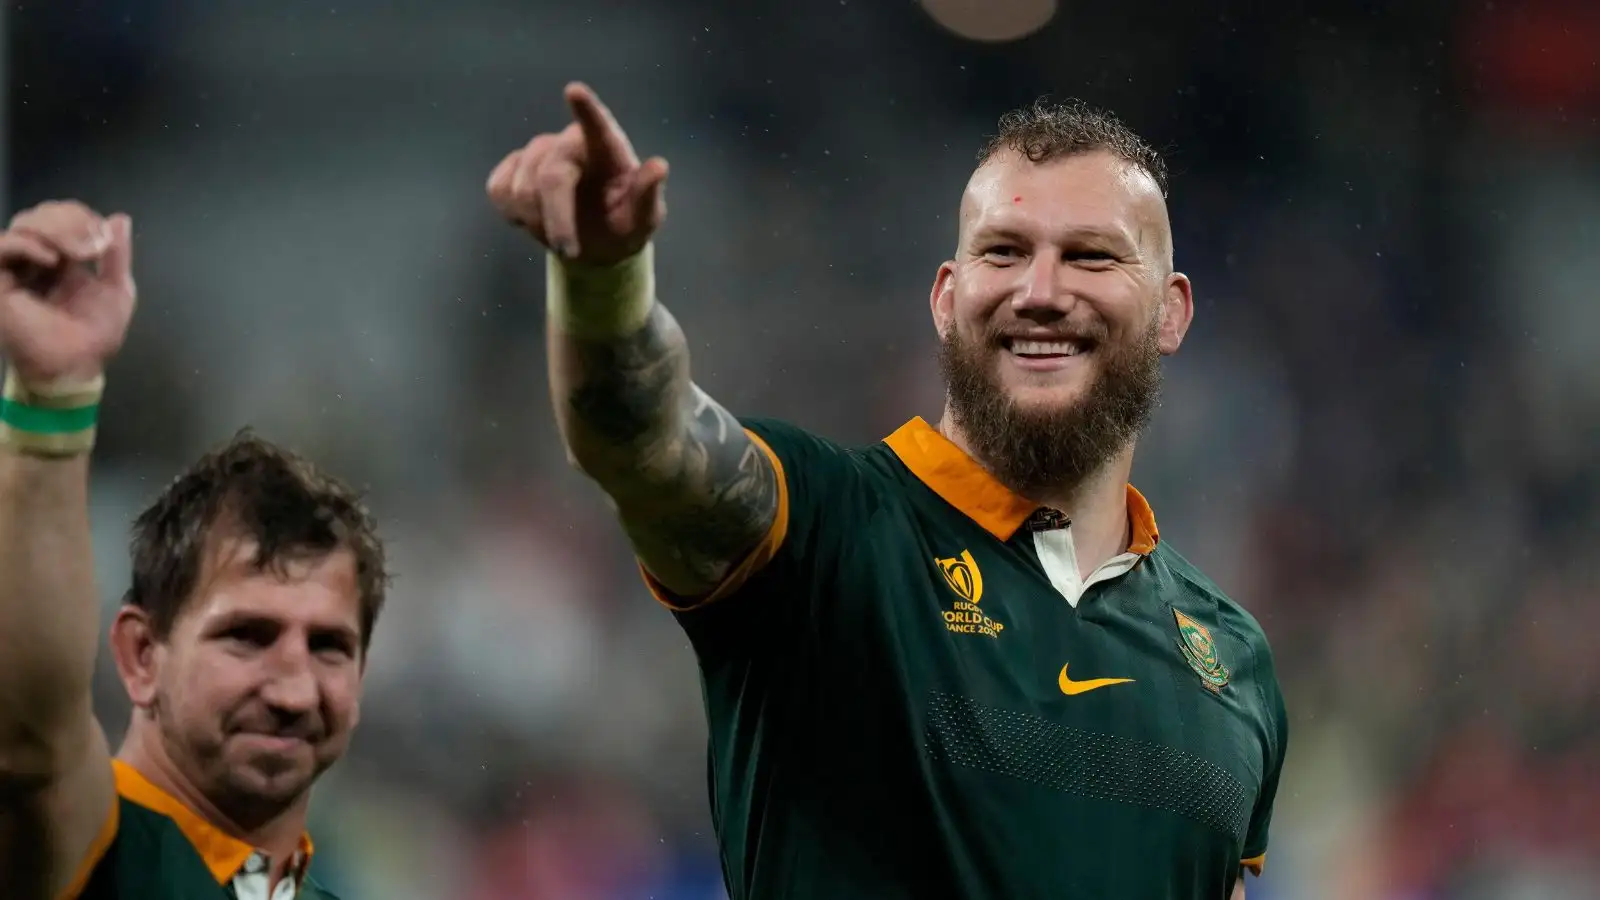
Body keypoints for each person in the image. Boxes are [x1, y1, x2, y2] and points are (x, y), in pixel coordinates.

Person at [487, 85, 1288, 900]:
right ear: (947, 298)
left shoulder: (1231, 657)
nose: (1040, 290)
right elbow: (640, 439)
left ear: (1171, 313)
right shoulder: (822, 531)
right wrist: (603, 280)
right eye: (1003, 252)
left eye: (1092, 255)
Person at [0, 200, 383, 899]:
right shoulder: (93, 844)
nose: (294, 690)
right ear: (142, 656)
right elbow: (30, 741)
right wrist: (51, 401)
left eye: (329, 646)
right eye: (247, 635)